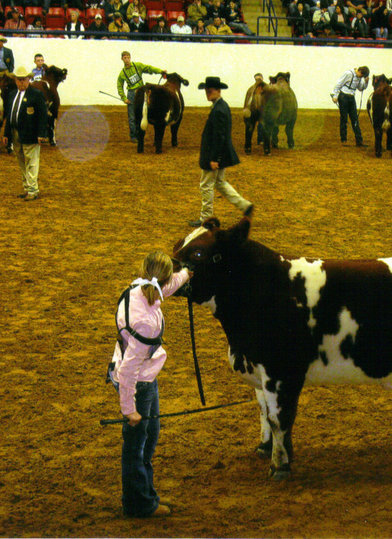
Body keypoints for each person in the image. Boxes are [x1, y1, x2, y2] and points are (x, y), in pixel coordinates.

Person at [109, 251, 191, 518]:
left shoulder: (138, 288)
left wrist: (186, 274)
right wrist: (128, 409)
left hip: (143, 376)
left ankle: (144, 492)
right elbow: (129, 371)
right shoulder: (145, 323)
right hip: (138, 383)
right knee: (137, 443)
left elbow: (166, 287)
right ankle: (138, 504)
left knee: (150, 434)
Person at [188, 76, 253, 227]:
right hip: (220, 153)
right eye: (206, 91)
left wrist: (214, 158)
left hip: (215, 154)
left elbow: (219, 136)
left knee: (206, 185)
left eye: (210, 91)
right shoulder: (222, 106)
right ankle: (245, 206)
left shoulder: (218, 109)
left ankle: (206, 218)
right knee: (219, 183)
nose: (207, 94)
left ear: (218, 91)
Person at [3, 65, 48, 200]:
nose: (21, 82)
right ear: (15, 80)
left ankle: (33, 190)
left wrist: (41, 134)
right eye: (19, 79)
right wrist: (6, 133)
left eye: (24, 79)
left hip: (31, 133)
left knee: (32, 161)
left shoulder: (36, 94)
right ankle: (27, 188)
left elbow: (43, 116)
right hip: (16, 132)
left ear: (29, 79)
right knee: (22, 161)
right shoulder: (11, 95)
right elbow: (9, 115)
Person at [116, 52, 165, 143]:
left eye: (128, 57)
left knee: (144, 113)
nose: (126, 59)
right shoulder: (122, 74)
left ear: (130, 58)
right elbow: (119, 85)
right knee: (132, 116)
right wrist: (123, 97)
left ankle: (140, 134)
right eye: (124, 58)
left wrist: (160, 71)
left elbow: (149, 68)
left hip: (141, 92)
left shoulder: (137, 66)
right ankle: (134, 136)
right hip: (131, 94)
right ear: (122, 59)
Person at [331, 66, 369, 147]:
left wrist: (366, 82)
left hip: (351, 97)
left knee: (355, 119)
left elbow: (361, 88)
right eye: (361, 75)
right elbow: (339, 84)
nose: (361, 77)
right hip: (343, 96)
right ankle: (343, 139)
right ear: (359, 71)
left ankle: (359, 141)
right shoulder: (348, 74)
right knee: (344, 118)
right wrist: (335, 95)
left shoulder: (360, 77)